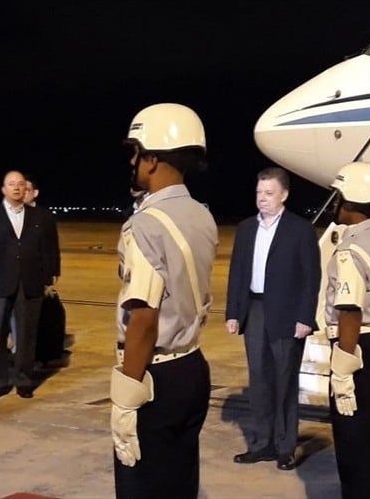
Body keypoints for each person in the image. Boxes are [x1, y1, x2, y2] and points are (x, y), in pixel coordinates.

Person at [112, 103, 217, 498]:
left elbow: (143, 316)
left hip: (152, 374)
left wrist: (124, 399)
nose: (134, 163)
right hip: (192, 365)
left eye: (136, 153)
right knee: (179, 483)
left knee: (141, 485)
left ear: (152, 159)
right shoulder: (201, 216)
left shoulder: (144, 225)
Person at [225, 166, 320, 471]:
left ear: (284, 196)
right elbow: (237, 274)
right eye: (258, 192)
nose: (262, 199)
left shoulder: (300, 229)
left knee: (284, 381)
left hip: (287, 314)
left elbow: (310, 277)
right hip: (254, 310)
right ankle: (262, 444)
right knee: (260, 381)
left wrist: (305, 317)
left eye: (269, 193)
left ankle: (285, 447)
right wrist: (233, 313)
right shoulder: (246, 228)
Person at [324, 161, 370, 498]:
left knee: (355, 447)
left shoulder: (349, 250)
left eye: (338, 196)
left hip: (355, 351)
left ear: (351, 201)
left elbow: (349, 309)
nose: (334, 202)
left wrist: (342, 370)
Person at [0, 171, 59, 399]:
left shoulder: (40, 216)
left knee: (27, 333)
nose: (17, 188)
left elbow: (50, 247)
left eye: (21, 184)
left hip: (29, 282)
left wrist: (52, 273)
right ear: (3, 189)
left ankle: (23, 379)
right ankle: (0, 381)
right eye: (12, 184)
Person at [21, 175, 65, 366]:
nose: (22, 192)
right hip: (13, 275)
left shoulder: (45, 216)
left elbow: (52, 246)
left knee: (34, 317)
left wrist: (53, 272)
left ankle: (36, 354)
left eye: (27, 189)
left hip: (37, 274)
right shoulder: (10, 214)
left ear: (35, 193)